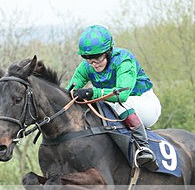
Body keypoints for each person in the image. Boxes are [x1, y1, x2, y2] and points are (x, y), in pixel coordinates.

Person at [67, 24, 161, 171]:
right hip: (117, 106)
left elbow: (121, 95)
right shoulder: (86, 67)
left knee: (117, 104)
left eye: (97, 58)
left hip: (144, 104)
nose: (93, 64)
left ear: (108, 52)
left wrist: (92, 92)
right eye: (88, 59)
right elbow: (69, 91)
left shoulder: (124, 60)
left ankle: (144, 148)